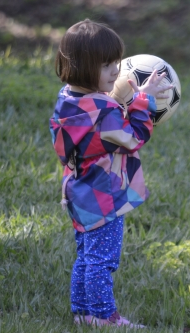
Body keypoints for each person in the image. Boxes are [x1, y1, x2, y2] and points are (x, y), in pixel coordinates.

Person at [49, 19, 172, 328]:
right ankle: (105, 316)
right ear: (82, 66)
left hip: (78, 191)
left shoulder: (68, 100)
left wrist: (124, 98)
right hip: (101, 196)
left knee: (86, 255)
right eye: (107, 66)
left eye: (116, 62)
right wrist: (143, 99)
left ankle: (82, 313)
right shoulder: (104, 113)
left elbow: (102, 116)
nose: (116, 71)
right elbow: (133, 137)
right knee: (101, 260)